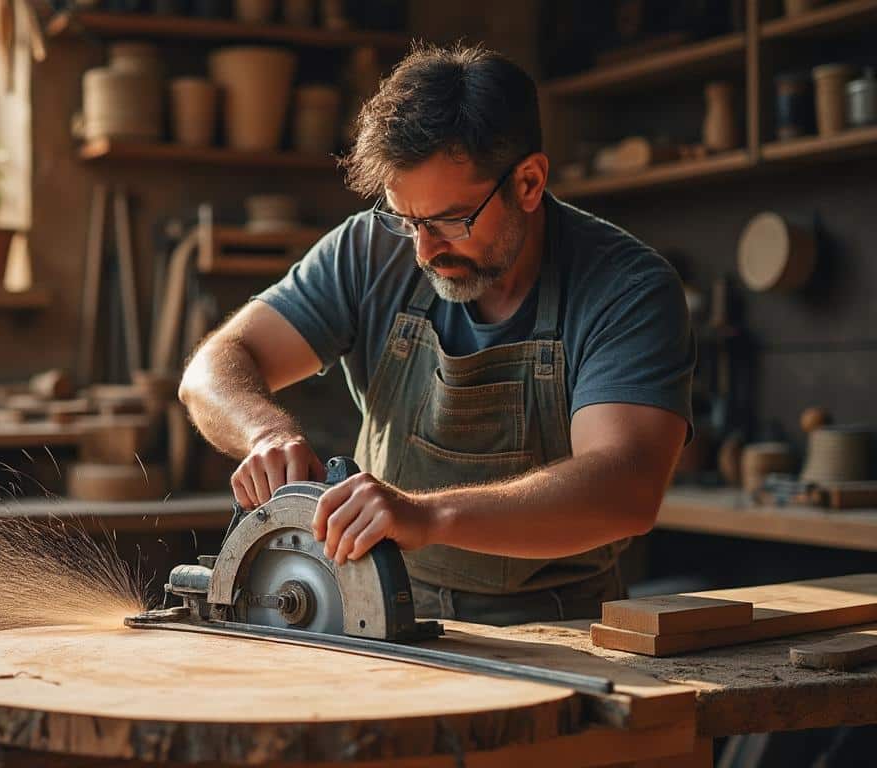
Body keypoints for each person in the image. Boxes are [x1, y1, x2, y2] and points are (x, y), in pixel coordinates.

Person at [177, 42, 695, 625]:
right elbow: (214, 367)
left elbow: (623, 486)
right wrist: (265, 433)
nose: (424, 248)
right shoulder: (373, 249)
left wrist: (426, 517)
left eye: (452, 220)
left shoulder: (626, 286)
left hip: (560, 624)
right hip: (375, 609)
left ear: (528, 182)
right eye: (406, 218)